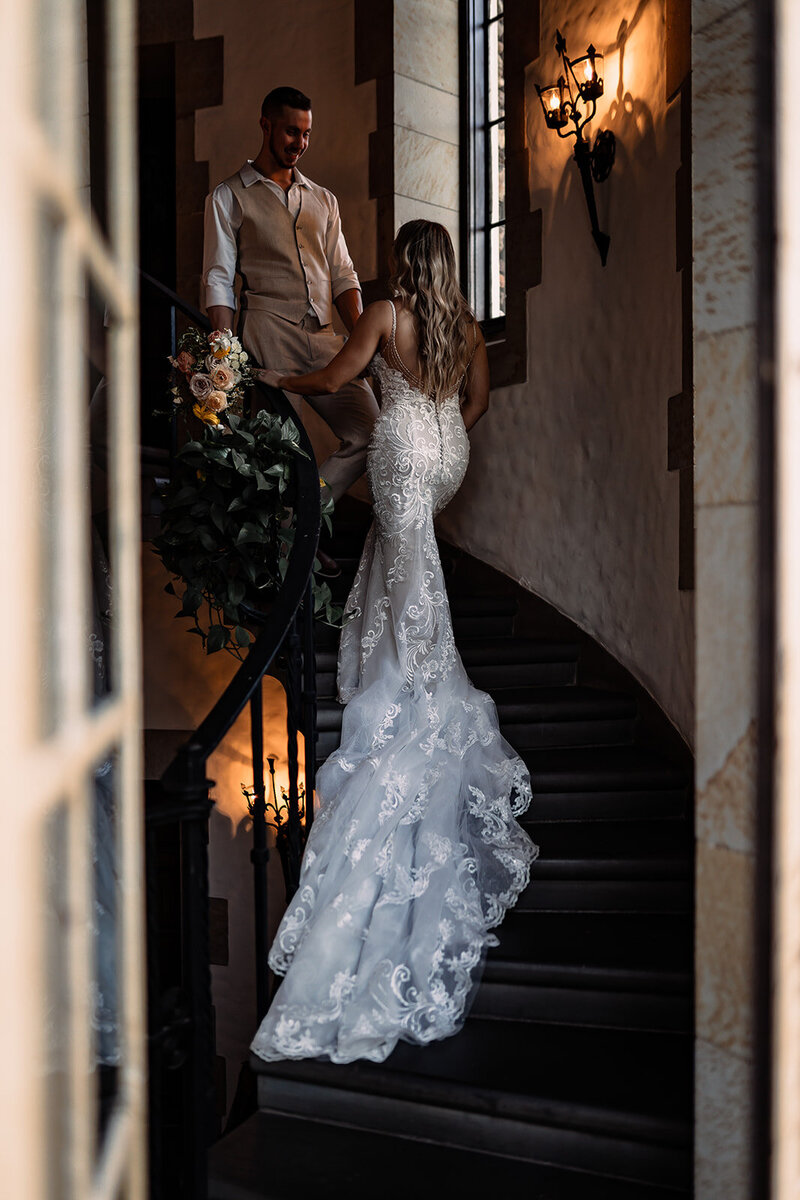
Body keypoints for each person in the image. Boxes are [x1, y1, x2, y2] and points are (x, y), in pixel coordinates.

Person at [251, 220, 537, 1065]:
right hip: (447, 444)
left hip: (405, 442)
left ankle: (421, 681)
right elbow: (479, 400)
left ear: (404, 263)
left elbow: (340, 375)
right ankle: (406, 661)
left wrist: (279, 376)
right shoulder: (465, 325)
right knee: (405, 557)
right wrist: (443, 421)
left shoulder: (386, 312)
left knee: (408, 562)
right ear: (446, 264)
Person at [202, 84, 379, 570]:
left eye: (306, 133)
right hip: (267, 332)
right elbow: (219, 275)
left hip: (326, 338)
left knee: (371, 431)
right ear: (265, 125)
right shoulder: (228, 196)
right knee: (283, 449)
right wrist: (222, 347)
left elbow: (343, 274)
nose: (299, 142)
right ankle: (280, 544)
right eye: (291, 131)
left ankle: (294, 526)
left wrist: (362, 340)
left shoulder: (324, 200)